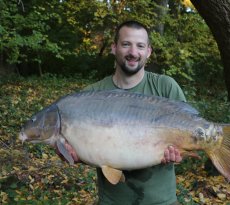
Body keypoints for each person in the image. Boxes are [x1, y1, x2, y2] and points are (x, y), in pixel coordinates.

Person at [59, 20, 186, 205]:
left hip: (163, 201)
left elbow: (187, 134)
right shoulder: (91, 95)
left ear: (148, 51)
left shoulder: (166, 87)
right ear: (114, 47)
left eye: (140, 46)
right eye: (126, 44)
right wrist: (75, 156)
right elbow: (90, 149)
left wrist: (179, 152)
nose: (133, 53)